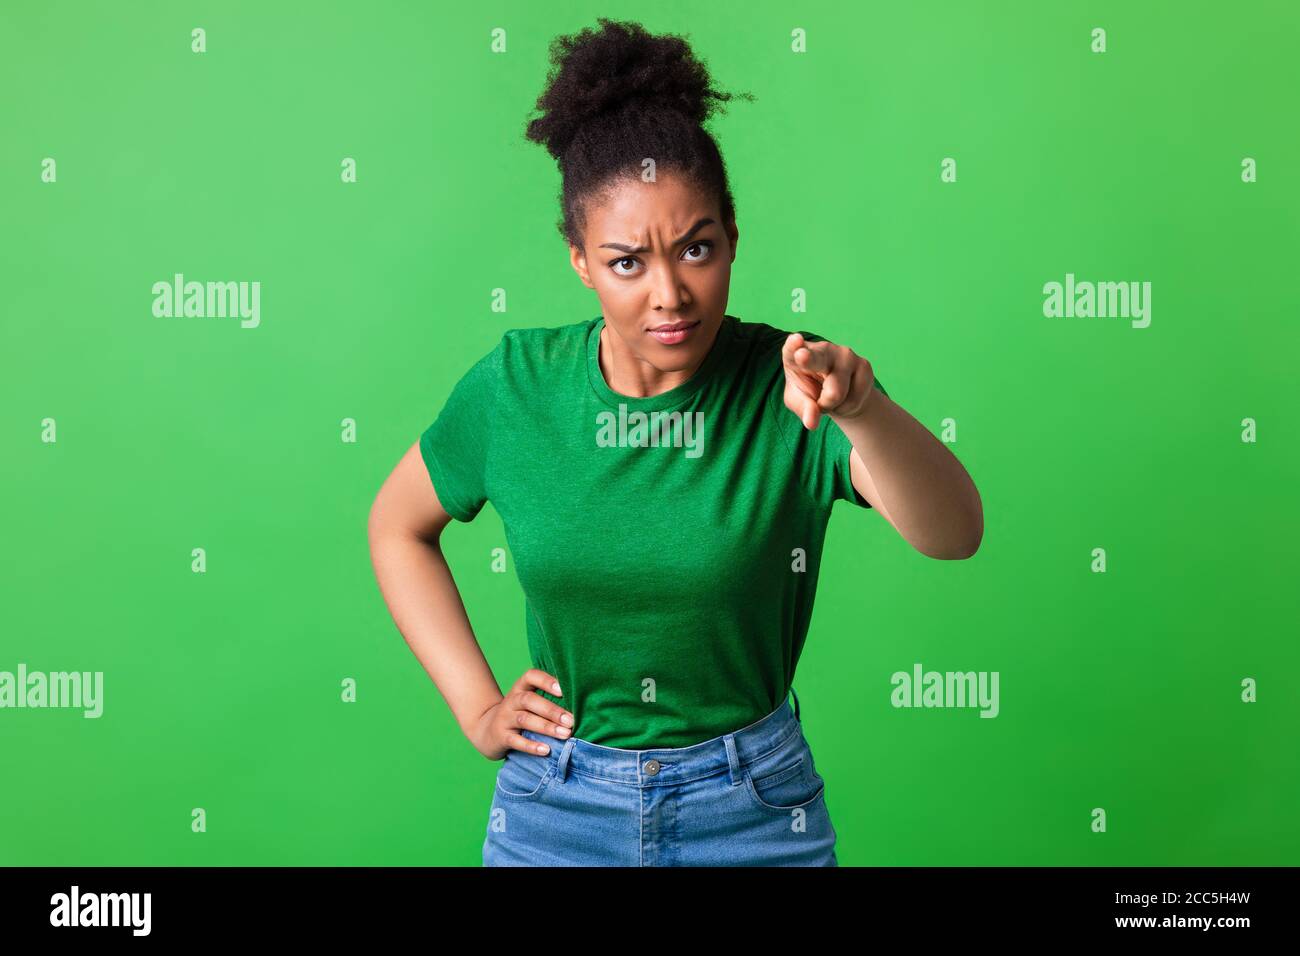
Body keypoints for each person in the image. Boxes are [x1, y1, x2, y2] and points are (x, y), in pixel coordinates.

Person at [367, 18, 983, 866]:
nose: (671, 295)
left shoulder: (797, 384)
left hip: (755, 808)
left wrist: (865, 407)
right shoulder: (516, 388)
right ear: (580, 259)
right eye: (627, 262)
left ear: (733, 235)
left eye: (698, 249)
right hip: (556, 808)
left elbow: (955, 535)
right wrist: (478, 708)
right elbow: (396, 527)